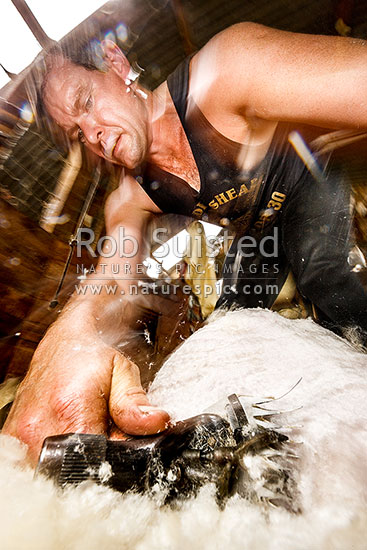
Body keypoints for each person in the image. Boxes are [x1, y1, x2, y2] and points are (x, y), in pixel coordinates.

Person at [3, 22, 367, 463]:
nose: (95, 134)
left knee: (323, 276)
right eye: (79, 133)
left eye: (86, 102)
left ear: (116, 66)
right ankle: (267, 454)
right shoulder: (128, 199)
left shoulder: (227, 73)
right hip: (257, 232)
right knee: (234, 323)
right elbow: (110, 279)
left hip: (310, 182)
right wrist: (65, 344)